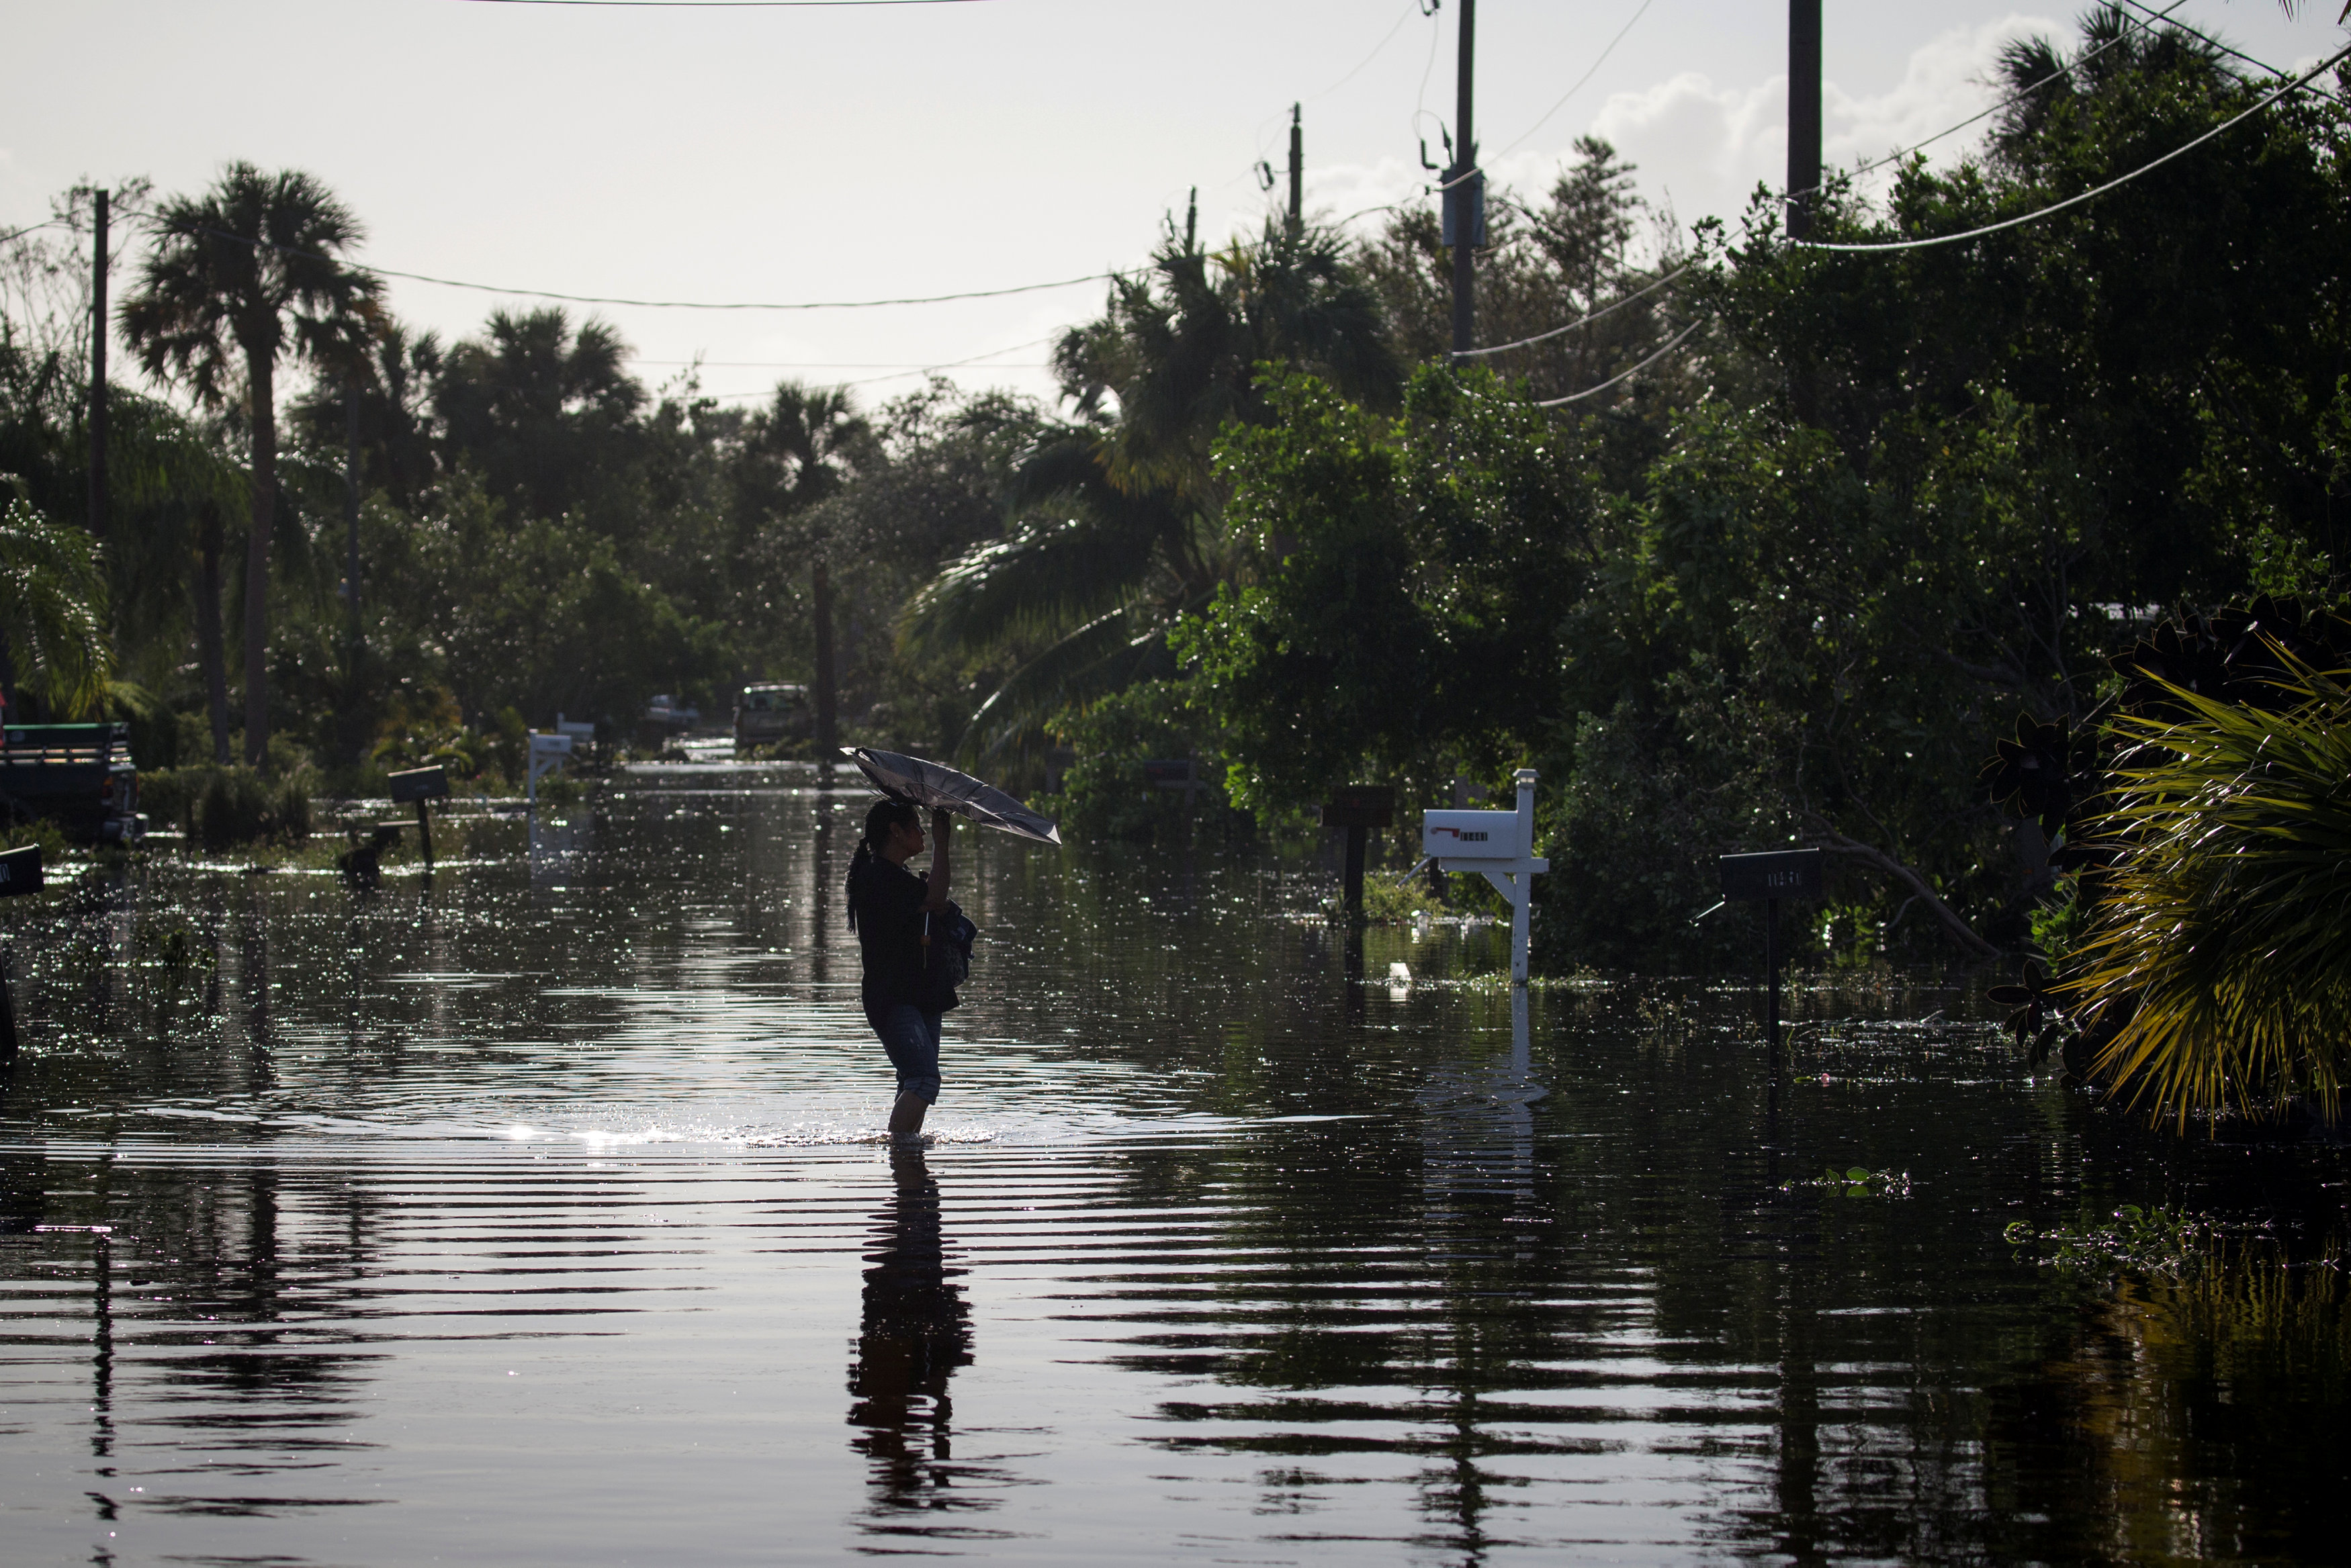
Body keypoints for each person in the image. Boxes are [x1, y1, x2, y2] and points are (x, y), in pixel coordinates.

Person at [847, 798, 956, 1140]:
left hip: (921, 992)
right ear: (895, 832)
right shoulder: (879, 876)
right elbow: (936, 900)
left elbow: (931, 903)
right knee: (924, 1079)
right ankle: (898, 1151)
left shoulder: (896, 876)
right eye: (918, 825)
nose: (923, 831)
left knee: (914, 1079)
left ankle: (907, 1170)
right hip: (893, 996)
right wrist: (942, 842)